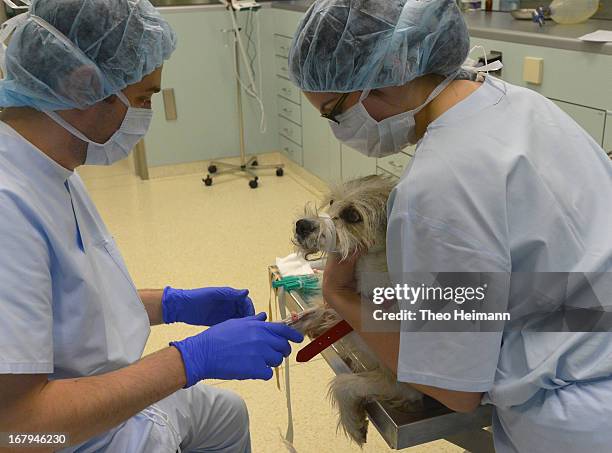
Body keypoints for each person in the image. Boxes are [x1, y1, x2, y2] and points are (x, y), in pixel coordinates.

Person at [289, 0, 612, 452]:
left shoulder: (436, 187)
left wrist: (340, 296)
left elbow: (454, 390)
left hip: (575, 415)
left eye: (335, 112)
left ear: (385, 74)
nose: (339, 128)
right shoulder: (523, 105)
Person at [0, 1, 303, 452]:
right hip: (65, 435)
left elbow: (68, 304)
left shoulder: (49, 166)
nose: (144, 115)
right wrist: (188, 361)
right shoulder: (9, 207)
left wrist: (171, 304)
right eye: (143, 98)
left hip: (99, 397)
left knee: (225, 414)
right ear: (83, 84)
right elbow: (17, 429)